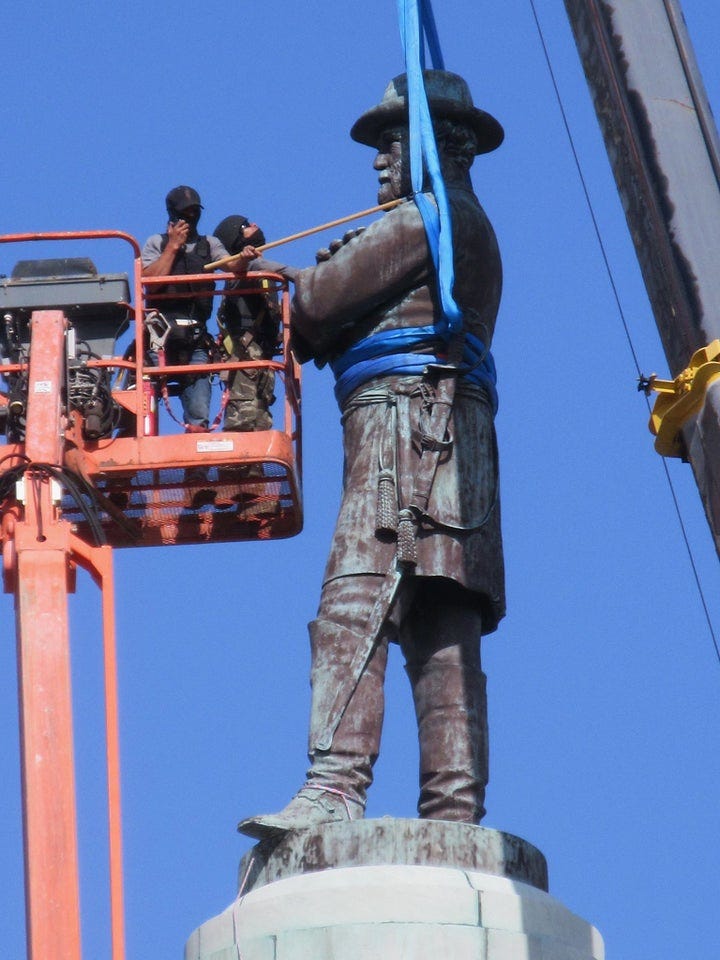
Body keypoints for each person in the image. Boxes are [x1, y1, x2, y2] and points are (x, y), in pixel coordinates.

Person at [239, 70, 505, 839]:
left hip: (404, 435)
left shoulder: (427, 218)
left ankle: (334, 785)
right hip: (451, 441)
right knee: (441, 625)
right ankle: (454, 815)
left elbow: (317, 305)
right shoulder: (459, 225)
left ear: (438, 146)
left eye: (393, 142)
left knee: (355, 602)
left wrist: (275, 282)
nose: (380, 160)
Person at [141, 186, 251, 431]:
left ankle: (196, 446)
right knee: (145, 403)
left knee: (199, 412)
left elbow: (231, 265)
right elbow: (149, 282)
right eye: (185, 212)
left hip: (196, 339)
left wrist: (243, 257)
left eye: (194, 211)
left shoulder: (209, 244)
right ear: (173, 213)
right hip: (160, 338)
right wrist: (172, 247)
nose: (190, 217)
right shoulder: (156, 243)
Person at [213, 216, 297, 432]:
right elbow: (277, 269)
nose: (255, 226)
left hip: (260, 357)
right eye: (246, 226)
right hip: (246, 357)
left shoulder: (259, 274)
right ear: (236, 241)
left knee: (260, 424)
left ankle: (255, 456)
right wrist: (307, 277)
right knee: (242, 423)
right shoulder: (250, 269)